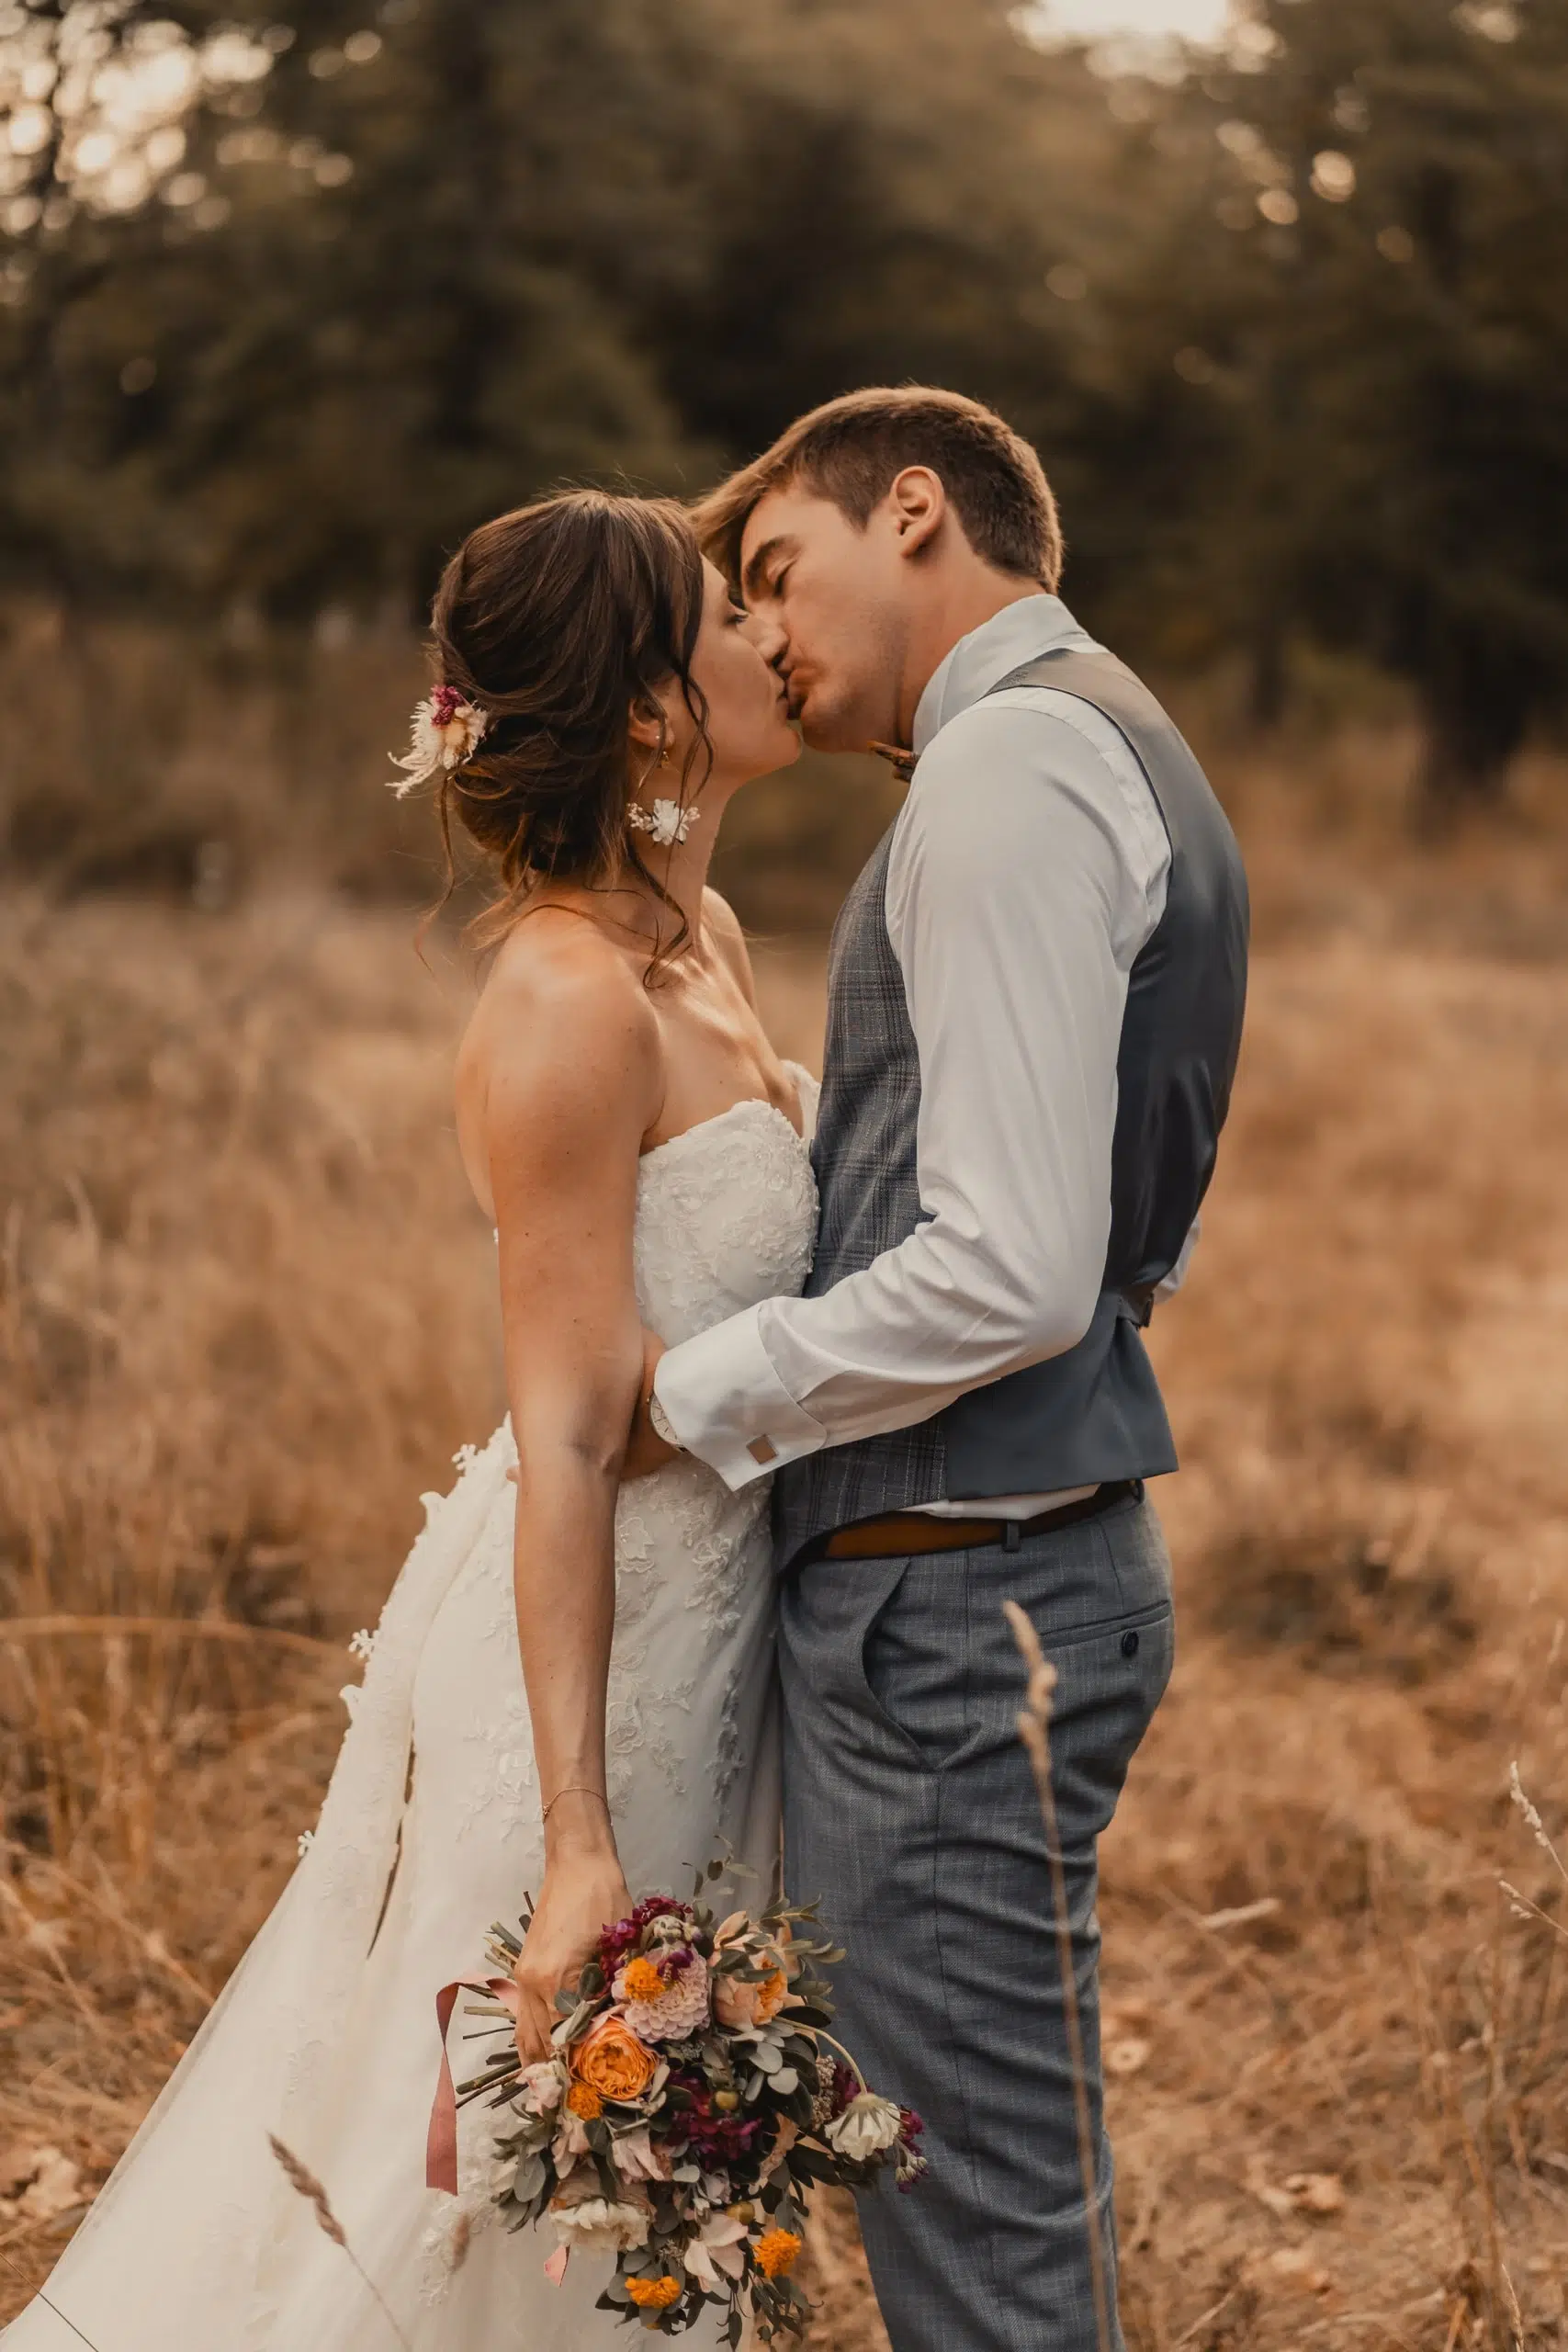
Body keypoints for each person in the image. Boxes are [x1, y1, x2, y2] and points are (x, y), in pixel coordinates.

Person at [1, 491, 816, 2350]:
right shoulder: (563, 1006)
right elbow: (565, 1440)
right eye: (724, 611)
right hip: (587, 1667)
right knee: (480, 2179)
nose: (774, 633)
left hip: (712, 1635)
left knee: (638, 2186)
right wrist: (583, 1835)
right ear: (645, 710)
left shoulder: (714, 941)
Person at [630, 386, 1250, 2352]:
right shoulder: (1090, 736)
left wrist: (691, 1387)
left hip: (956, 1605)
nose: (771, 639)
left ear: (914, 510)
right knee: (991, 2200)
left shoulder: (1003, 770)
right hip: (998, 1574)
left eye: (779, 574)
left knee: (977, 2251)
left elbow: (1007, 1264)